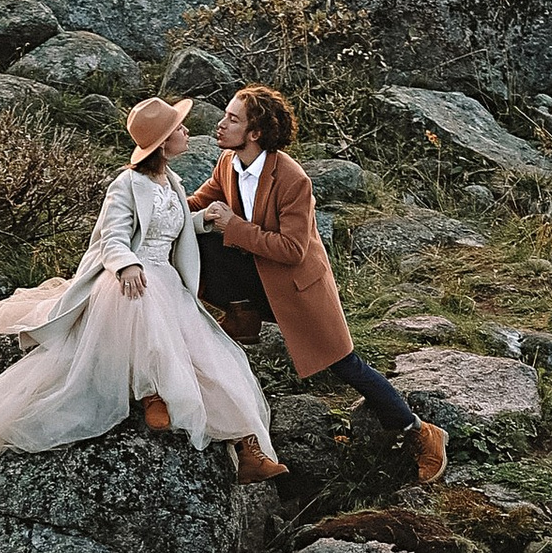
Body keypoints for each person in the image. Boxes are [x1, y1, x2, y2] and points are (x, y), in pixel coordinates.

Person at [0, 96, 291, 487]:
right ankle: (151, 393)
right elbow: (112, 238)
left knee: (218, 358)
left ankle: (248, 448)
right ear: (165, 141)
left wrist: (205, 220)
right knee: (148, 321)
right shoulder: (127, 184)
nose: (187, 131)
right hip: (130, 280)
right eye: (179, 128)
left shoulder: (172, 181)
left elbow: (173, 225)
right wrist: (127, 263)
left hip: (166, 279)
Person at [189, 85, 448, 488]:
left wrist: (233, 227)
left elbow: (292, 249)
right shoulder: (227, 163)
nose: (220, 124)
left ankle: (420, 432)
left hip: (297, 289)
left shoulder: (292, 179)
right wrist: (154, 204)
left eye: (232, 119)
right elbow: (197, 204)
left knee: (346, 365)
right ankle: (242, 310)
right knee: (201, 235)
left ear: (255, 133)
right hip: (257, 281)